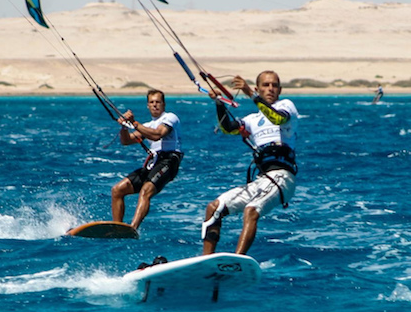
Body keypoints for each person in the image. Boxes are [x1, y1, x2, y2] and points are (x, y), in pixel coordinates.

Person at [201, 71, 298, 255]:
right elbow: (227, 128)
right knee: (213, 208)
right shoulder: (252, 119)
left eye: (274, 85)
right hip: (261, 180)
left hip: (282, 177)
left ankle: (238, 260)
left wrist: (249, 93)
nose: (270, 89)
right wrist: (219, 104)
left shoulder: (286, 106)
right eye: (265, 85)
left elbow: (277, 118)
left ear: (280, 89)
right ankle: (206, 261)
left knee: (251, 210)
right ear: (258, 88)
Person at [110, 89, 183, 230]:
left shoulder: (170, 118)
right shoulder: (147, 125)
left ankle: (133, 228)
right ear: (147, 105)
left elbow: (157, 135)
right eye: (151, 102)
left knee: (146, 190)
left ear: (164, 104)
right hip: (154, 163)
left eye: (158, 102)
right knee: (117, 190)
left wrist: (134, 123)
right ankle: (118, 228)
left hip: (169, 161)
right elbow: (126, 141)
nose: (155, 105)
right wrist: (124, 127)